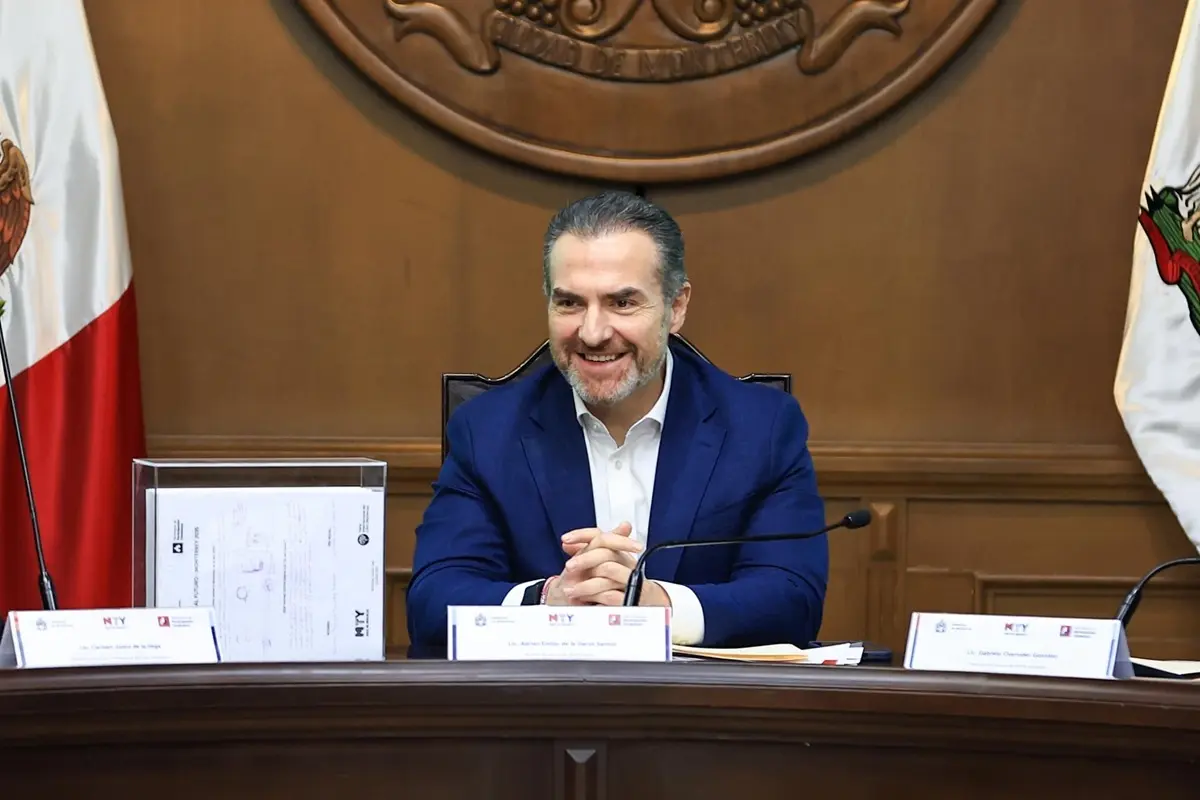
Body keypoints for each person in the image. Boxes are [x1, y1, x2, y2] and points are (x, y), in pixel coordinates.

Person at [405, 190, 828, 651]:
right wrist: (550, 601)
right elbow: (432, 604)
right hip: (542, 712)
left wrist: (655, 604)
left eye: (622, 303)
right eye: (569, 303)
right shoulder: (486, 432)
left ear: (677, 306)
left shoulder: (761, 429)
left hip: (704, 712)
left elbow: (793, 603)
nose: (592, 332)